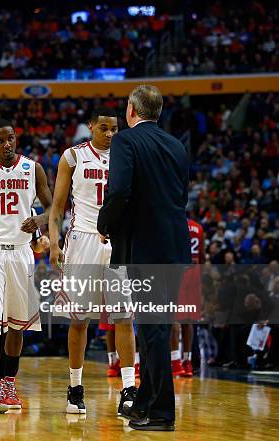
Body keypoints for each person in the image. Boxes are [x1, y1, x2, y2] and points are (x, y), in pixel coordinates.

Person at [97, 85, 191, 431]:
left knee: (152, 332)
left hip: (147, 247)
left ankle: (163, 413)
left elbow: (120, 190)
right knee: (156, 328)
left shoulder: (125, 141)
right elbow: (181, 194)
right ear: (159, 112)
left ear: (131, 110)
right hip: (176, 245)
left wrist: (104, 222)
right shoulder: (176, 144)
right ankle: (144, 404)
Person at [49, 107, 137, 416]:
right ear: (90, 126)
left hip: (117, 240)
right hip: (83, 238)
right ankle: (75, 388)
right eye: (104, 128)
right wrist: (55, 243)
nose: (110, 133)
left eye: (114, 128)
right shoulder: (72, 157)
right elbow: (57, 206)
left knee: (123, 317)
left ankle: (129, 388)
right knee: (79, 319)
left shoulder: (127, 154)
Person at [0, 118, 53, 413]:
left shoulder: (33, 168)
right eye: (1, 140)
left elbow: (53, 207)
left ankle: (9, 384)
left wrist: (40, 219)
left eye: (11, 139)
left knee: (18, 323)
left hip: (20, 252)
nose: (7, 144)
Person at [171, 217, 205, 377]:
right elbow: (203, 256)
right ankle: (188, 361)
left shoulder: (174, 222)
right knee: (189, 319)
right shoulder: (198, 228)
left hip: (179, 270)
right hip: (195, 272)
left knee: (175, 318)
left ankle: (175, 361)